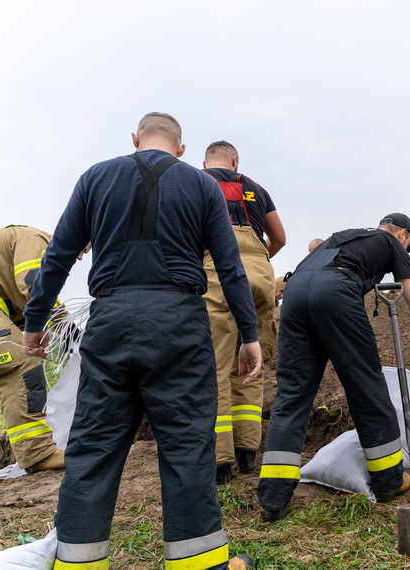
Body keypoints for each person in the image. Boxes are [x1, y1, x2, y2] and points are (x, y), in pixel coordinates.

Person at [22, 113, 259, 570]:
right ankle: (200, 563)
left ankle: (77, 563)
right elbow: (230, 268)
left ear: (135, 140)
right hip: (180, 325)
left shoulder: (95, 177)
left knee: (93, 447)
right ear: (182, 149)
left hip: (109, 321)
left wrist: (35, 320)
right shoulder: (203, 186)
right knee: (188, 444)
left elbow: (58, 256)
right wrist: (249, 334)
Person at [258, 213, 410, 520]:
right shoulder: (393, 244)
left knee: (292, 395)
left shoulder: (343, 236)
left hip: (296, 292)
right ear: (404, 235)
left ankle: (273, 496)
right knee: (367, 388)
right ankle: (389, 479)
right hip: (337, 289)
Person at [202, 140, 286, 483]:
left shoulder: (198, 182)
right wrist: (257, 260)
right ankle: (248, 452)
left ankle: (221, 461)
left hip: (218, 273)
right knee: (252, 364)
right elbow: (279, 237)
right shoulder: (256, 188)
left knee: (217, 367)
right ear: (234, 160)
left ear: (205, 163)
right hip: (260, 275)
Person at [0, 225, 66, 473]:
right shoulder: (35, 239)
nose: (80, 257)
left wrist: (38, 327)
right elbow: (35, 285)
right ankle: (37, 454)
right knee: (18, 364)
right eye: (83, 247)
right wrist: (65, 325)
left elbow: (16, 298)